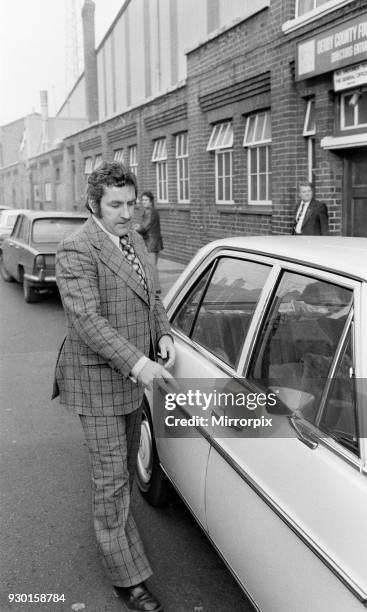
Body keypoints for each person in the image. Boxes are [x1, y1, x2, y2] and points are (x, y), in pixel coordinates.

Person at [52, 161, 175, 612]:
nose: (127, 213)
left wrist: (161, 332)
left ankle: (118, 541)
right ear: (94, 204)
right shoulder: (76, 249)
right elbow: (87, 322)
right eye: (116, 205)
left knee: (120, 475)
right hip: (97, 384)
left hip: (130, 380)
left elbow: (154, 298)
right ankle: (130, 581)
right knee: (110, 482)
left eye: (131, 203)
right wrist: (141, 364)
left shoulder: (135, 240)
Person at [135, 191, 163, 293]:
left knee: (151, 266)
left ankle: (156, 289)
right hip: (155, 241)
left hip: (151, 242)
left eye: (146, 200)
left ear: (151, 201)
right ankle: (155, 287)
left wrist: (136, 227)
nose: (144, 202)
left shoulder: (150, 212)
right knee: (152, 265)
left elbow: (144, 227)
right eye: (142, 200)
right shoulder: (153, 211)